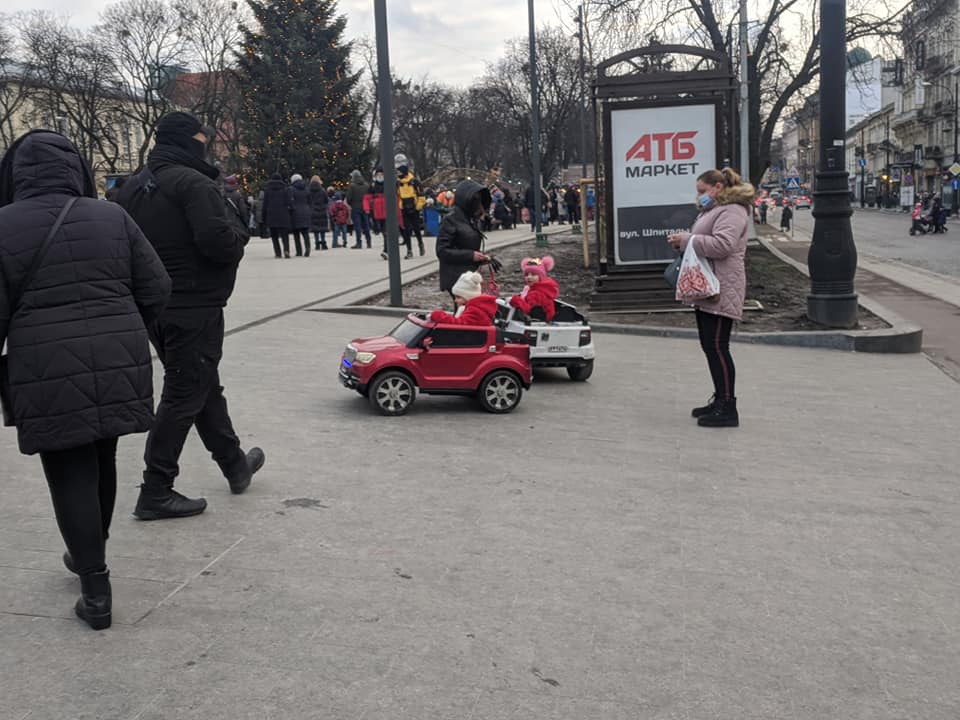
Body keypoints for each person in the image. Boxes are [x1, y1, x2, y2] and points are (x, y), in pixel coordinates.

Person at [0, 130, 171, 629]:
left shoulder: (3, 225)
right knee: (102, 455)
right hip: (118, 356)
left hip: (45, 367)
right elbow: (157, 286)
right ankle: (90, 551)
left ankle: (95, 588)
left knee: (68, 468)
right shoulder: (111, 216)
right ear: (75, 168)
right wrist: (123, 325)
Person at [116, 111, 265, 519]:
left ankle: (234, 465)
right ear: (189, 140)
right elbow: (219, 244)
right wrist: (239, 234)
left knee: (201, 385)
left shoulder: (132, 188)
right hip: (194, 306)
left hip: (155, 308)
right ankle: (156, 488)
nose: (207, 143)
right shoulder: (194, 184)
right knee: (185, 393)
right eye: (203, 137)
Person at [667, 167, 754, 428]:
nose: (699, 196)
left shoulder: (733, 210)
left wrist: (688, 240)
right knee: (710, 345)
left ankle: (728, 407)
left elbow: (723, 245)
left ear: (718, 187)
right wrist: (685, 242)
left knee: (717, 346)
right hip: (709, 285)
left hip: (722, 286)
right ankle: (720, 399)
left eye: (702, 191)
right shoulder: (714, 209)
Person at [436, 179, 493, 303]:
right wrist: (470, 255)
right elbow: (442, 250)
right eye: (475, 199)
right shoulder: (451, 219)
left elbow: (468, 244)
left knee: (468, 309)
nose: (478, 203)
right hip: (455, 276)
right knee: (465, 308)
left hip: (467, 275)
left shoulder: (470, 219)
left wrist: (480, 257)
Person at [429, 271, 497, 325]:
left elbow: (458, 324)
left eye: (458, 297)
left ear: (469, 297)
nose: (455, 300)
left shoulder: (475, 311)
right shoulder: (476, 307)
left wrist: (438, 315)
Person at [508, 256, 560, 322]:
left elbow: (527, 309)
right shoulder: (544, 289)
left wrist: (515, 300)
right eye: (527, 274)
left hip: (537, 320)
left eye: (533, 274)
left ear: (540, 277)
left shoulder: (536, 294)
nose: (529, 277)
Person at [395, 154, 425, 258]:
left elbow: (421, 195)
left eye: (399, 172)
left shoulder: (414, 181)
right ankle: (409, 250)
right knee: (406, 230)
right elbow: (397, 195)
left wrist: (418, 206)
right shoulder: (398, 183)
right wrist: (400, 205)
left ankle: (420, 243)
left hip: (414, 208)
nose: (398, 174)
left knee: (416, 228)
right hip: (404, 207)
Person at [261, 172, 292, 258]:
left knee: (274, 236)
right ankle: (286, 250)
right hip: (283, 214)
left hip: (271, 215)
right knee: (285, 235)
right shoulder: (285, 189)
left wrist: (263, 217)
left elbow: (265, 205)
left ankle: (278, 253)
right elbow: (289, 203)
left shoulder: (268, 190)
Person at [346, 169, 372, 249]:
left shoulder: (352, 186)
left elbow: (348, 198)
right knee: (366, 225)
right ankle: (368, 242)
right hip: (365, 207)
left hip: (355, 207)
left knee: (358, 226)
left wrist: (351, 204)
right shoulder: (366, 185)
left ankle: (359, 243)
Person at [288, 173, 312, 257]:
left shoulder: (291, 189)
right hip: (306, 211)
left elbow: (290, 201)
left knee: (296, 234)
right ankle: (308, 248)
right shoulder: (306, 189)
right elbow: (310, 201)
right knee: (305, 233)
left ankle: (299, 251)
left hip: (295, 212)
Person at [308, 175, 329, 250]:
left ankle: (317, 243)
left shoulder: (309, 190)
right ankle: (323, 242)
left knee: (315, 228)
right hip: (322, 210)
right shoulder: (322, 190)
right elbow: (326, 200)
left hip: (313, 210)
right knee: (322, 227)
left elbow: (308, 200)